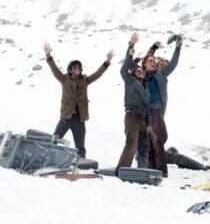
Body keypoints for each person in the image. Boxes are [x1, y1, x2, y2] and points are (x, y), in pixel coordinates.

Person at [42, 42, 113, 158]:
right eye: (75, 67)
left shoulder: (85, 80)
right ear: (70, 70)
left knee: (80, 146)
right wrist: (48, 56)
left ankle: (81, 163)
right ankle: (45, 157)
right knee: (54, 139)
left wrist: (107, 62)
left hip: (80, 119)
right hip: (66, 116)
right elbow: (54, 69)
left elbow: (97, 74)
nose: (77, 69)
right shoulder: (64, 78)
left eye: (79, 67)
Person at [140, 36, 183, 176]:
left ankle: (162, 170)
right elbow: (147, 58)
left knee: (159, 139)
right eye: (152, 61)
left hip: (156, 110)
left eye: (155, 61)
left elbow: (174, 63)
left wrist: (178, 47)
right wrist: (153, 47)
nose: (154, 62)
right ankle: (150, 167)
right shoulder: (141, 75)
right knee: (147, 139)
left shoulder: (161, 74)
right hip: (144, 111)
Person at [116, 33, 151, 174]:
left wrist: (148, 124)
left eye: (142, 71)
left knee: (144, 147)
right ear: (134, 73)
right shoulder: (130, 81)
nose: (141, 72)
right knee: (131, 145)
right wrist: (130, 46)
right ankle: (121, 170)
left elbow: (147, 107)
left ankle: (142, 171)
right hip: (132, 117)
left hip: (143, 119)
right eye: (138, 70)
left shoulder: (145, 87)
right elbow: (124, 69)